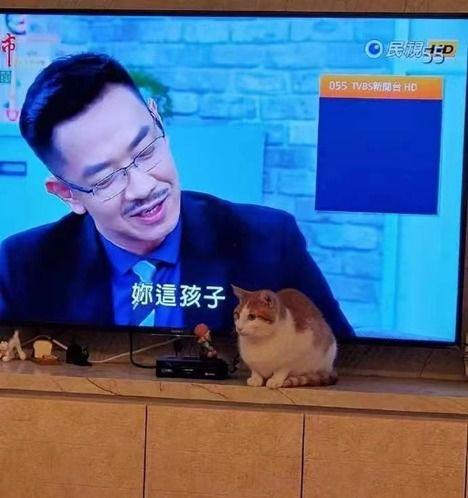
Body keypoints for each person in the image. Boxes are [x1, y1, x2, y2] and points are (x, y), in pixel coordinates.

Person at [0, 53, 354, 339]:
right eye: (106, 178)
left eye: (145, 150)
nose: (143, 188)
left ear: (158, 121)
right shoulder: (21, 268)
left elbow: (343, 360)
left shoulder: (268, 240)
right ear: (67, 194)